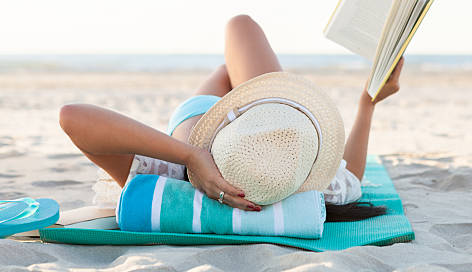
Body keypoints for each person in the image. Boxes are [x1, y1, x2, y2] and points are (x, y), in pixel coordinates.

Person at [59, 14, 404, 221]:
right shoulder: (291, 168)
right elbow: (351, 176)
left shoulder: (172, 175)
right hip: (262, 121)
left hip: (218, 125)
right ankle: (243, 94)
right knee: (238, 36)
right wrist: (367, 103)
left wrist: (193, 155)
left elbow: (72, 117)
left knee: (236, 36)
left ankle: (241, 94)